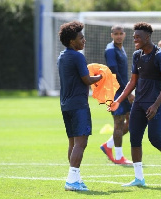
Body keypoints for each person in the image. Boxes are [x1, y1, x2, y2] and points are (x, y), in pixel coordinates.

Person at [108, 22, 161, 187]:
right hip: (138, 103)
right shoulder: (137, 55)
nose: (135, 39)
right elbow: (132, 81)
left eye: (138, 37)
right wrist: (118, 101)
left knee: (155, 139)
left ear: (147, 37)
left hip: (154, 104)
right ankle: (139, 178)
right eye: (134, 36)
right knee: (134, 139)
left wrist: (156, 105)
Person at [58, 21, 103, 191]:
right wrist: (100, 76)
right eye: (81, 37)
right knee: (81, 143)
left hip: (66, 105)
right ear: (71, 41)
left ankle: (75, 178)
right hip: (78, 105)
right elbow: (87, 80)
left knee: (73, 142)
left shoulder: (62, 56)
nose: (84, 40)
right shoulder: (77, 56)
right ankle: (71, 180)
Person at [100, 25, 134, 165]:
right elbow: (114, 73)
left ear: (124, 34)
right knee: (119, 123)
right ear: (111, 35)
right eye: (116, 34)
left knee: (132, 122)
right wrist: (128, 92)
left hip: (124, 90)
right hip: (115, 92)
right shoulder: (110, 50)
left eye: (121, 33)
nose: (119, 36)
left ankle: (108, 145)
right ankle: (119, 157)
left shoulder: (121, 48)